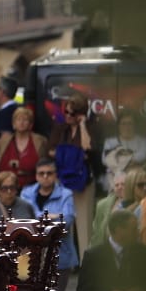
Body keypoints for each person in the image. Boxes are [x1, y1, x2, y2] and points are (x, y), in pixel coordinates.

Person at [20, 156, 79, 291]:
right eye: (42, 173)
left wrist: (40, 216)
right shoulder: (26, 192)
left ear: (55, 175)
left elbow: (66, 221)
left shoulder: (66, 194)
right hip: (31, 258)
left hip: (60, 258)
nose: (45, 176)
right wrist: (52, 217)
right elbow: (26, 218)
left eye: (49, 173)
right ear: (36, 176)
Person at [50, 92, 99, 253]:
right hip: (63, 180)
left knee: (84, 224)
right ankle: (66, 262)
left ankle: (86, 263)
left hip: (83, 181)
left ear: (81, 114)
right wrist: (75, 154)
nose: (68, 116)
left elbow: (88, 148)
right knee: (64, 222)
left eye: (73, 113)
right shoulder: (61, 129)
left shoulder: (90, 127)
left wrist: (83, 125)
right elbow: (50, 151)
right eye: (67, 112)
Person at [0, 104, 49, 190]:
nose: (21, 122)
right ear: (13, 124)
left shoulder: (40, 141)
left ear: (30, 124)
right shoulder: (5, 141)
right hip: (7, 189)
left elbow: (45, 166)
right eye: (18, 119)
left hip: (33, 189)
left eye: (25, 120)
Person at [93, 166, 146, 255]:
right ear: (131, 186)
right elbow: (110, 232)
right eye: (140, 185)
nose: (145, 188)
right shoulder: (122, 206)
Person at [0, 169, 38, 237]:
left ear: (16, 188)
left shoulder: (26, 206)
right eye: (4, 188)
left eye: (12, 187)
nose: (9, 192)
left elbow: (34, 231)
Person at [102, 111, 146, 195]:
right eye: (123, 123)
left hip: (136, 183)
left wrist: (118, 158)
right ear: (118, 126)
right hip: (115, 183)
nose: (127, 127)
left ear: (135, 125)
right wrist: (132, 162)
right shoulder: (110, 142)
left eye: (130, 123)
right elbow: (105, 160)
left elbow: (143, 156)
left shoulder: (143, 141)